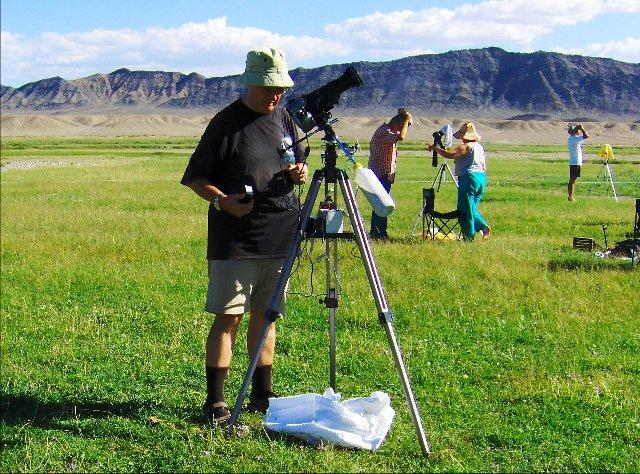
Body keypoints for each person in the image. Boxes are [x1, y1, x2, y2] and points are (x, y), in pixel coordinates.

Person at [180, 48, 308, 426]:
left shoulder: (285, 118)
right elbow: (197, 178)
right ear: (249, 83)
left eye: (281, 88)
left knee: (266, 318)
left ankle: (262, 394)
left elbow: (296, 158)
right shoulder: (226, 123)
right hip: (235, 240)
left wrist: (298, 171)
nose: (276, 95)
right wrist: (223, 202)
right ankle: (216, 403)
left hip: (280, 235)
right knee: (229, 317)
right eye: (269, 88)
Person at [427, 122, 491, 241]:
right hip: (481, 177)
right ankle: (482, 228)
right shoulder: (479, 147)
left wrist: (436, 148)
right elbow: (484, 166)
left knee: (465, 209)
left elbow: (450, 154)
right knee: (472, 207)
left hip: (469, 178)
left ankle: (470, 236)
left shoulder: (466, 146)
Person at [367, 107, 413, 240]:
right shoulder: (385, 131)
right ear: (396, 125)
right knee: (381, 204)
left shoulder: (386, 130)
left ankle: (379, 231)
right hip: (380, 173)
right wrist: (406, 120)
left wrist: (406, 119)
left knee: (383, 203)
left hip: (385, 173)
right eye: (401, 126)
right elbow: (401, 137)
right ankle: (378, 233)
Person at [567, 123, 589, 201]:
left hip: (574, 162)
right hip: (576, 162)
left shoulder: (571, 139)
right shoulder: (575, 139)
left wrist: (578, 128)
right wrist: (582, 129)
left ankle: (570, 196)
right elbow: (586, 136)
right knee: (572, 180)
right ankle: (570, 197)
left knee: (572, 180)